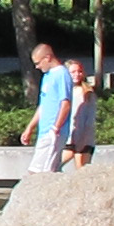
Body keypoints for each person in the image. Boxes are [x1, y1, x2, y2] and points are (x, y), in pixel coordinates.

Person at [24, 39, 70, 175]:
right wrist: (30, 127)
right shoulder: (47, 76)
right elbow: (43, 105)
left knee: (37, 173)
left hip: (53, 132)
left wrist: (56, 127)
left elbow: (65, 103)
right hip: (44, 131)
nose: (37, 67)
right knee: (41, 172)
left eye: (38, 63)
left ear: (48, 58)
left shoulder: (61, 74)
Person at [62, 56, 99, 168]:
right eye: (73, 72)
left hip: (82, 137)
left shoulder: (86, 92)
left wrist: (83, 138)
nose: (77, 74)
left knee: (81, 170)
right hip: (69, 136)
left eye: (79, 71)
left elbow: (89, 118)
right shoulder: (66, 92)